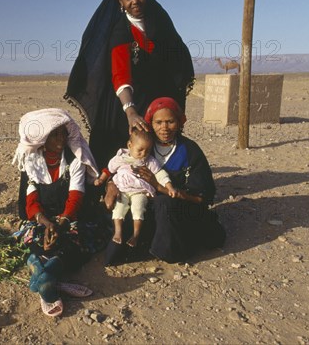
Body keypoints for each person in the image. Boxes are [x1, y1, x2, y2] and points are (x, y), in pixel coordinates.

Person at [65, 0, 194, 171]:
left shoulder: (159, 24)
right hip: (123, 103)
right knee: (120, 153)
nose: (135, 1)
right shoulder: (120, 29)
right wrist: (130, 111)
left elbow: (174, 58)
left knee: (152, 152)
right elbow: (120, 72)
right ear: (120, 1)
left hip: (153, 101)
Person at [111, 97, 225, 264]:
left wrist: (159, 186)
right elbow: (119, 167)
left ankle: (170, 251)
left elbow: (202, 197)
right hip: (141, 205)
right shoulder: (142, 146)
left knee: (164, 203)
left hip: (178, 210)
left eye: (170, 121)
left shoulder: (190, 150)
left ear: (179, 122)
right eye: (158, 122)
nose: (164, 128)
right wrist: (111, 184)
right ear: (150, 123)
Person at [12, 108, 98, 317]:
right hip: (42, 218)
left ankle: (42, 276)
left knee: (75, 243)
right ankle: (52, 281)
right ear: (43, 138)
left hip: (69, 217)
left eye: (62, 133)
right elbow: (31, 201)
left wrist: (62, 223)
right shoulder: (32, 160)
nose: (61, 138)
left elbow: (76, 196)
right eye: (54, 134)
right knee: (35, 237)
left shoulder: (74, 160)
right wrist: (45, 222)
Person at [95, 128, 176, 265]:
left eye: (147, 150)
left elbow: (160, 174)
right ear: (129, 145)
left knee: (138, 209)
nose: (143, 154)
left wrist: (169, 186)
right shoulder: (121, 158)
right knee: (119, 208)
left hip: (140, 191)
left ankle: (136, 235)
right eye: (140, 150)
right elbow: (108, 170)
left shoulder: (149, 161)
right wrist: (101, 180)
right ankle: (118, 232)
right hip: (123, 190)